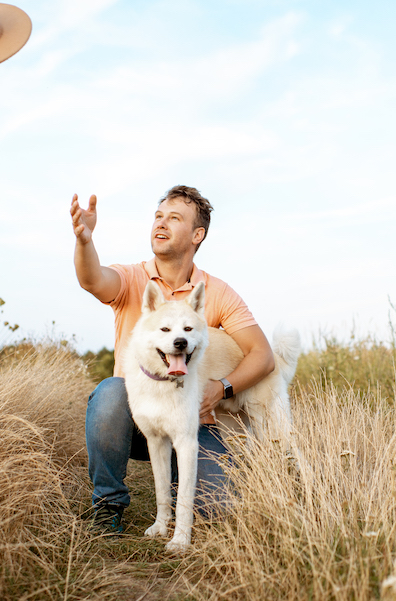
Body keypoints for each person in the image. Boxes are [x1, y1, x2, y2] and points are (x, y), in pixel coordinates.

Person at [71, 185, 275, 533]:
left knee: (219, 510)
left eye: (174, 218)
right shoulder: (134, 278)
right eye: (158, 216)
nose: (161, 224)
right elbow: (92, 280)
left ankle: (188, 489)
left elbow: (264, 355)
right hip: (134, 417)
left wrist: (222, 389)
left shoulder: (216, 292)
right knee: (108, 394)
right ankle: (107, 507)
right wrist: (85, 241)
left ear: (198, 234)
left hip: (194, 421)